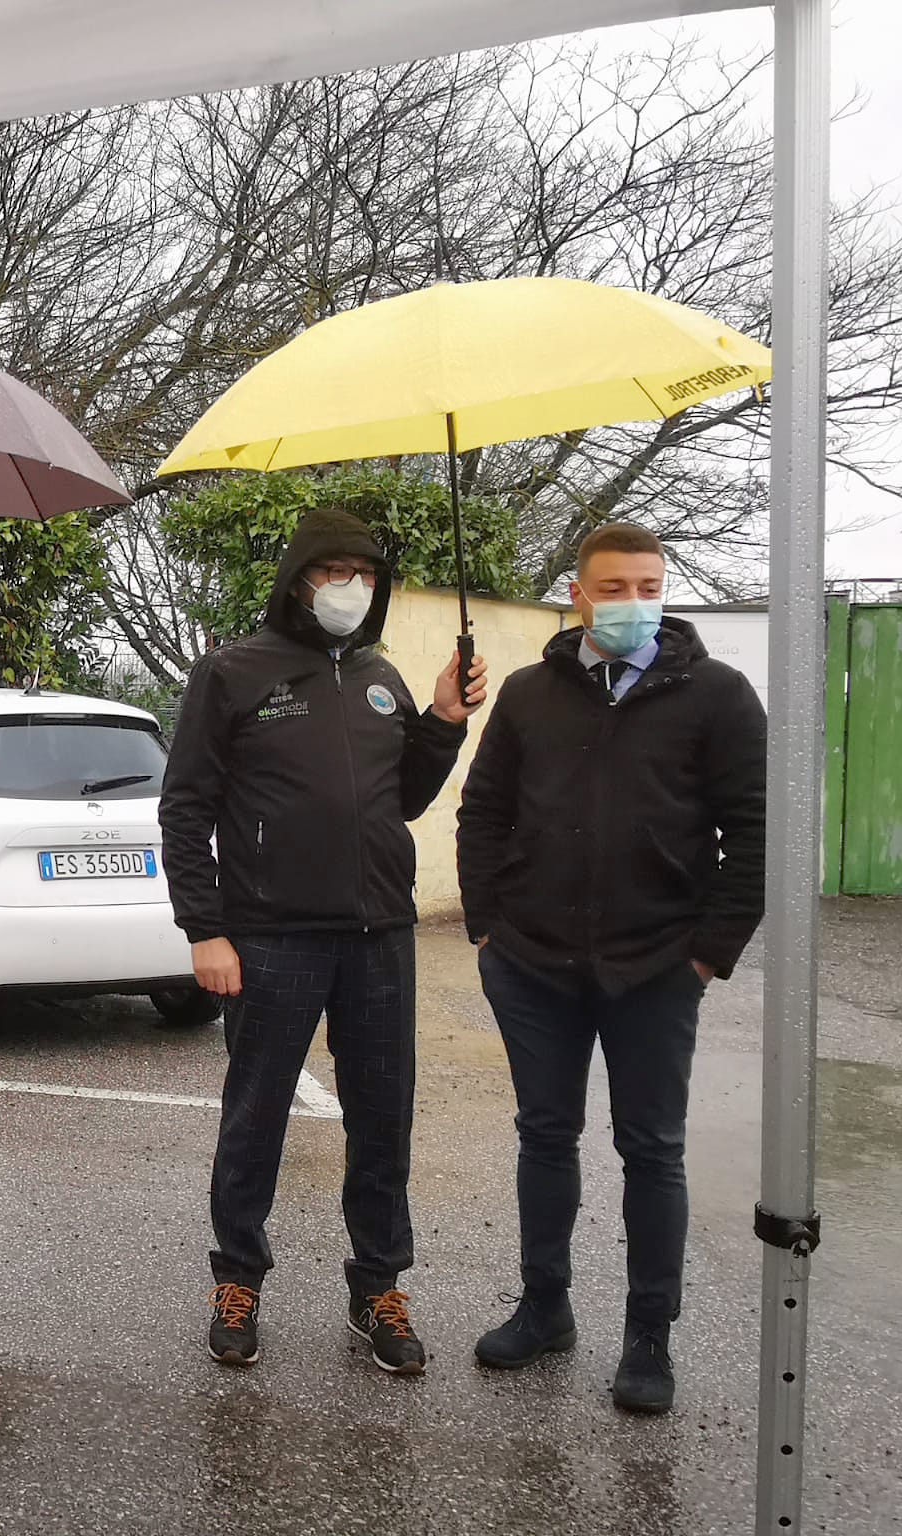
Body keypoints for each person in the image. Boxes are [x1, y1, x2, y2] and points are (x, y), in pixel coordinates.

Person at [159, 507, 486, 1375]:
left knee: (383, 1121)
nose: (354, 587)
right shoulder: (233, 673)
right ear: (299, 578)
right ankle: (237, 1279)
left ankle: (377, 1287)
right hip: (270, 937)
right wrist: (205, 929)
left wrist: (443, 719)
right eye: (337, 570)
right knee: (256, 1116)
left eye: (368, 574)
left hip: (380, 936)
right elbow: (185, 810)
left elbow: (404, 797)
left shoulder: (382, 677)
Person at [459, 521, 765, 1415]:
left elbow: (756, 830)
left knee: (652, 1150)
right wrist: (487, 928)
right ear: (579, 595)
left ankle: (648, 1336)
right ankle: (544, 1307)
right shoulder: (528, 694)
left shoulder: (717, 696)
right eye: (616, 587)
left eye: (648, 586)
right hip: (532, 963)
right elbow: (484, 813)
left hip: (658, 966)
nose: (634, 602)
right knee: (545, 1135)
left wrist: (707, 952)